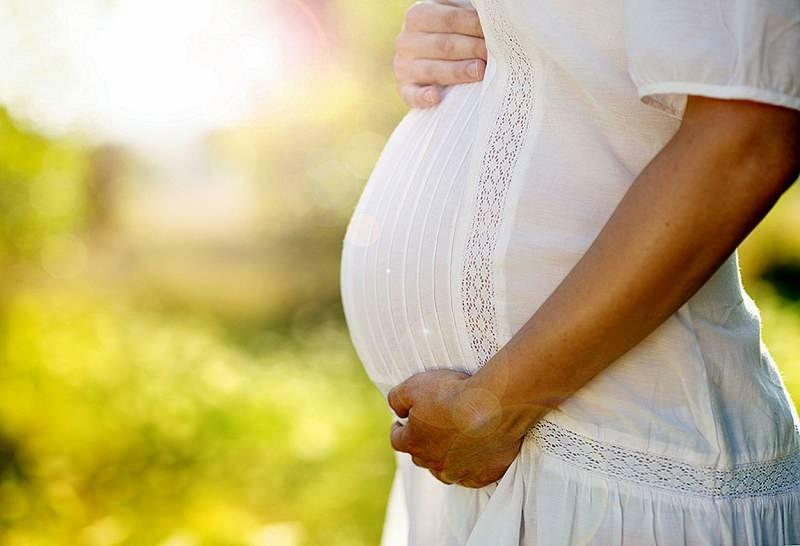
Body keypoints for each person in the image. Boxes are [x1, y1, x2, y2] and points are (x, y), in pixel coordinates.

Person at [339, 0, 800, 544]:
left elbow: (749, 134)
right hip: (480, 459)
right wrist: (452, 36)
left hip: (619, 468)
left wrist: (499, 404)